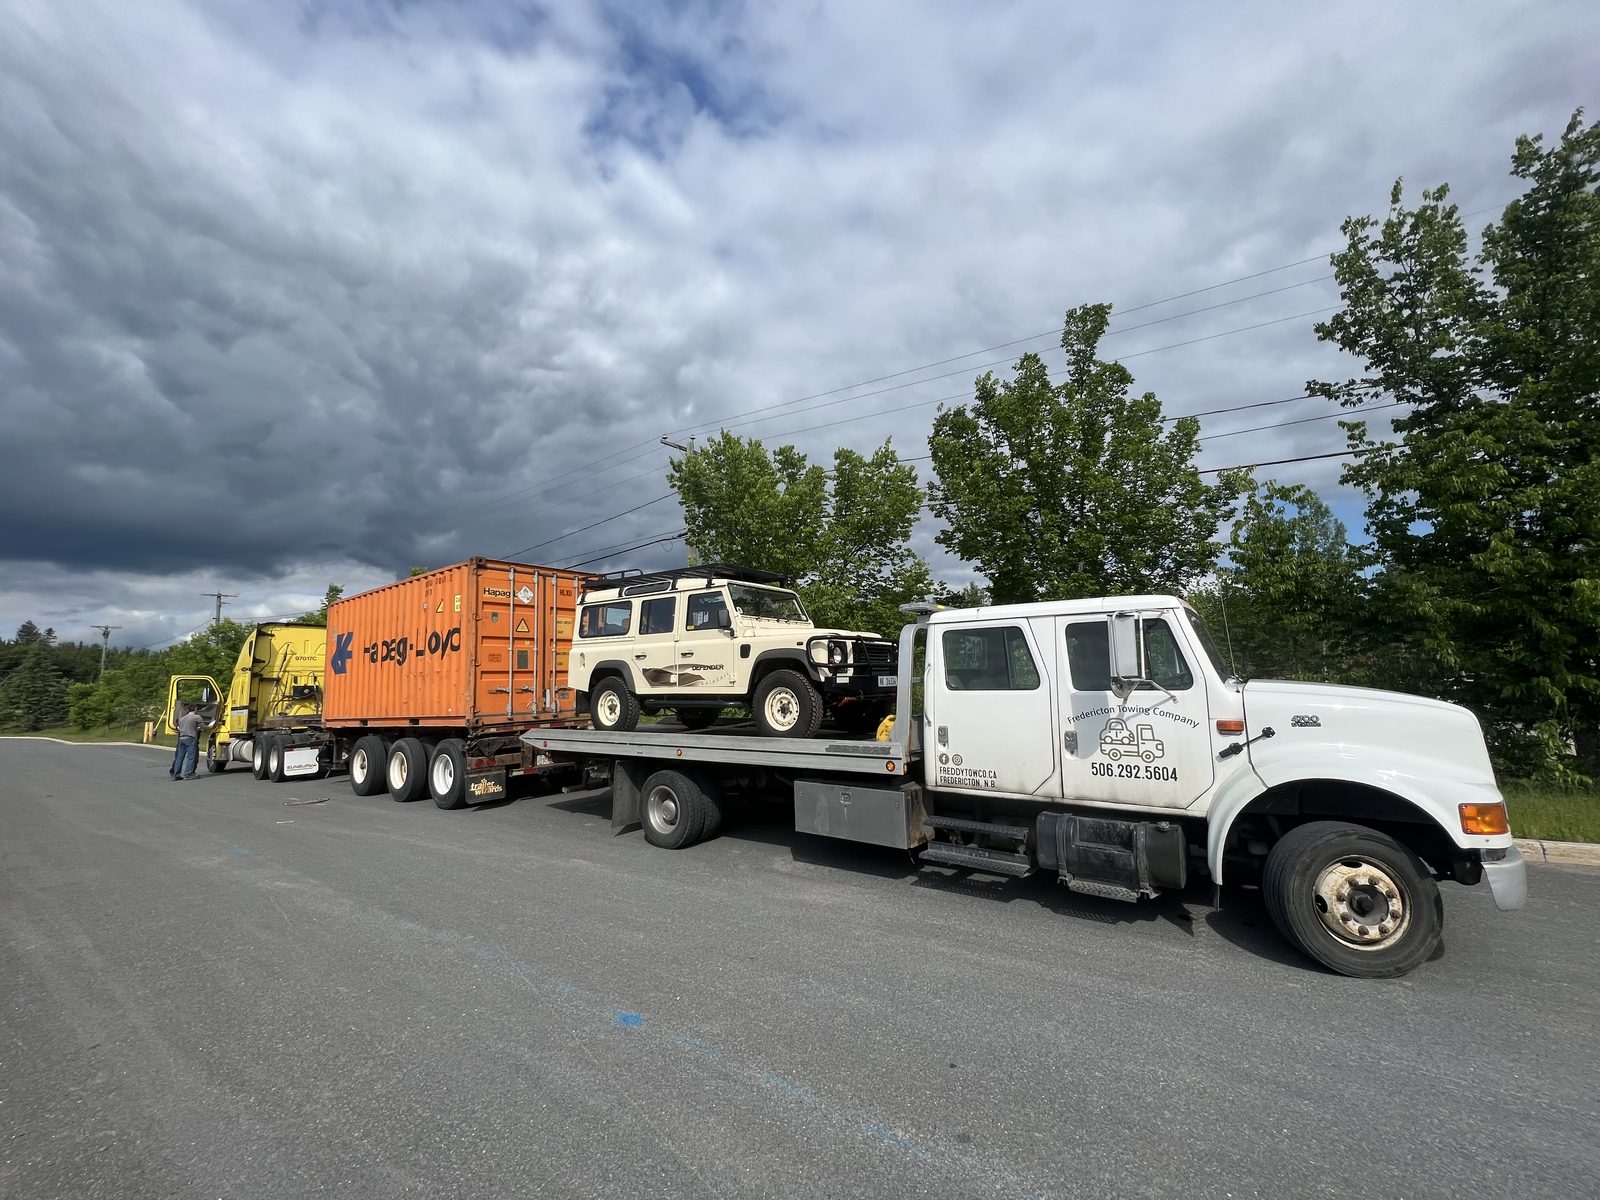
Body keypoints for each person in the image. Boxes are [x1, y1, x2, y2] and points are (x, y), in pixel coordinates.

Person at [171, 703, 208, 781]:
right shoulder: (197, 717)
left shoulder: (182, 719)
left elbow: (179, 728)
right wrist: (209, 727)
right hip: (190, 738)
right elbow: (203, 727)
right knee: (191, 757)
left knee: (179, 758)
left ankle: (176, 775)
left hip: (181, 738)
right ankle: (188, 774)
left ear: (187, 710)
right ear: (195, 709)